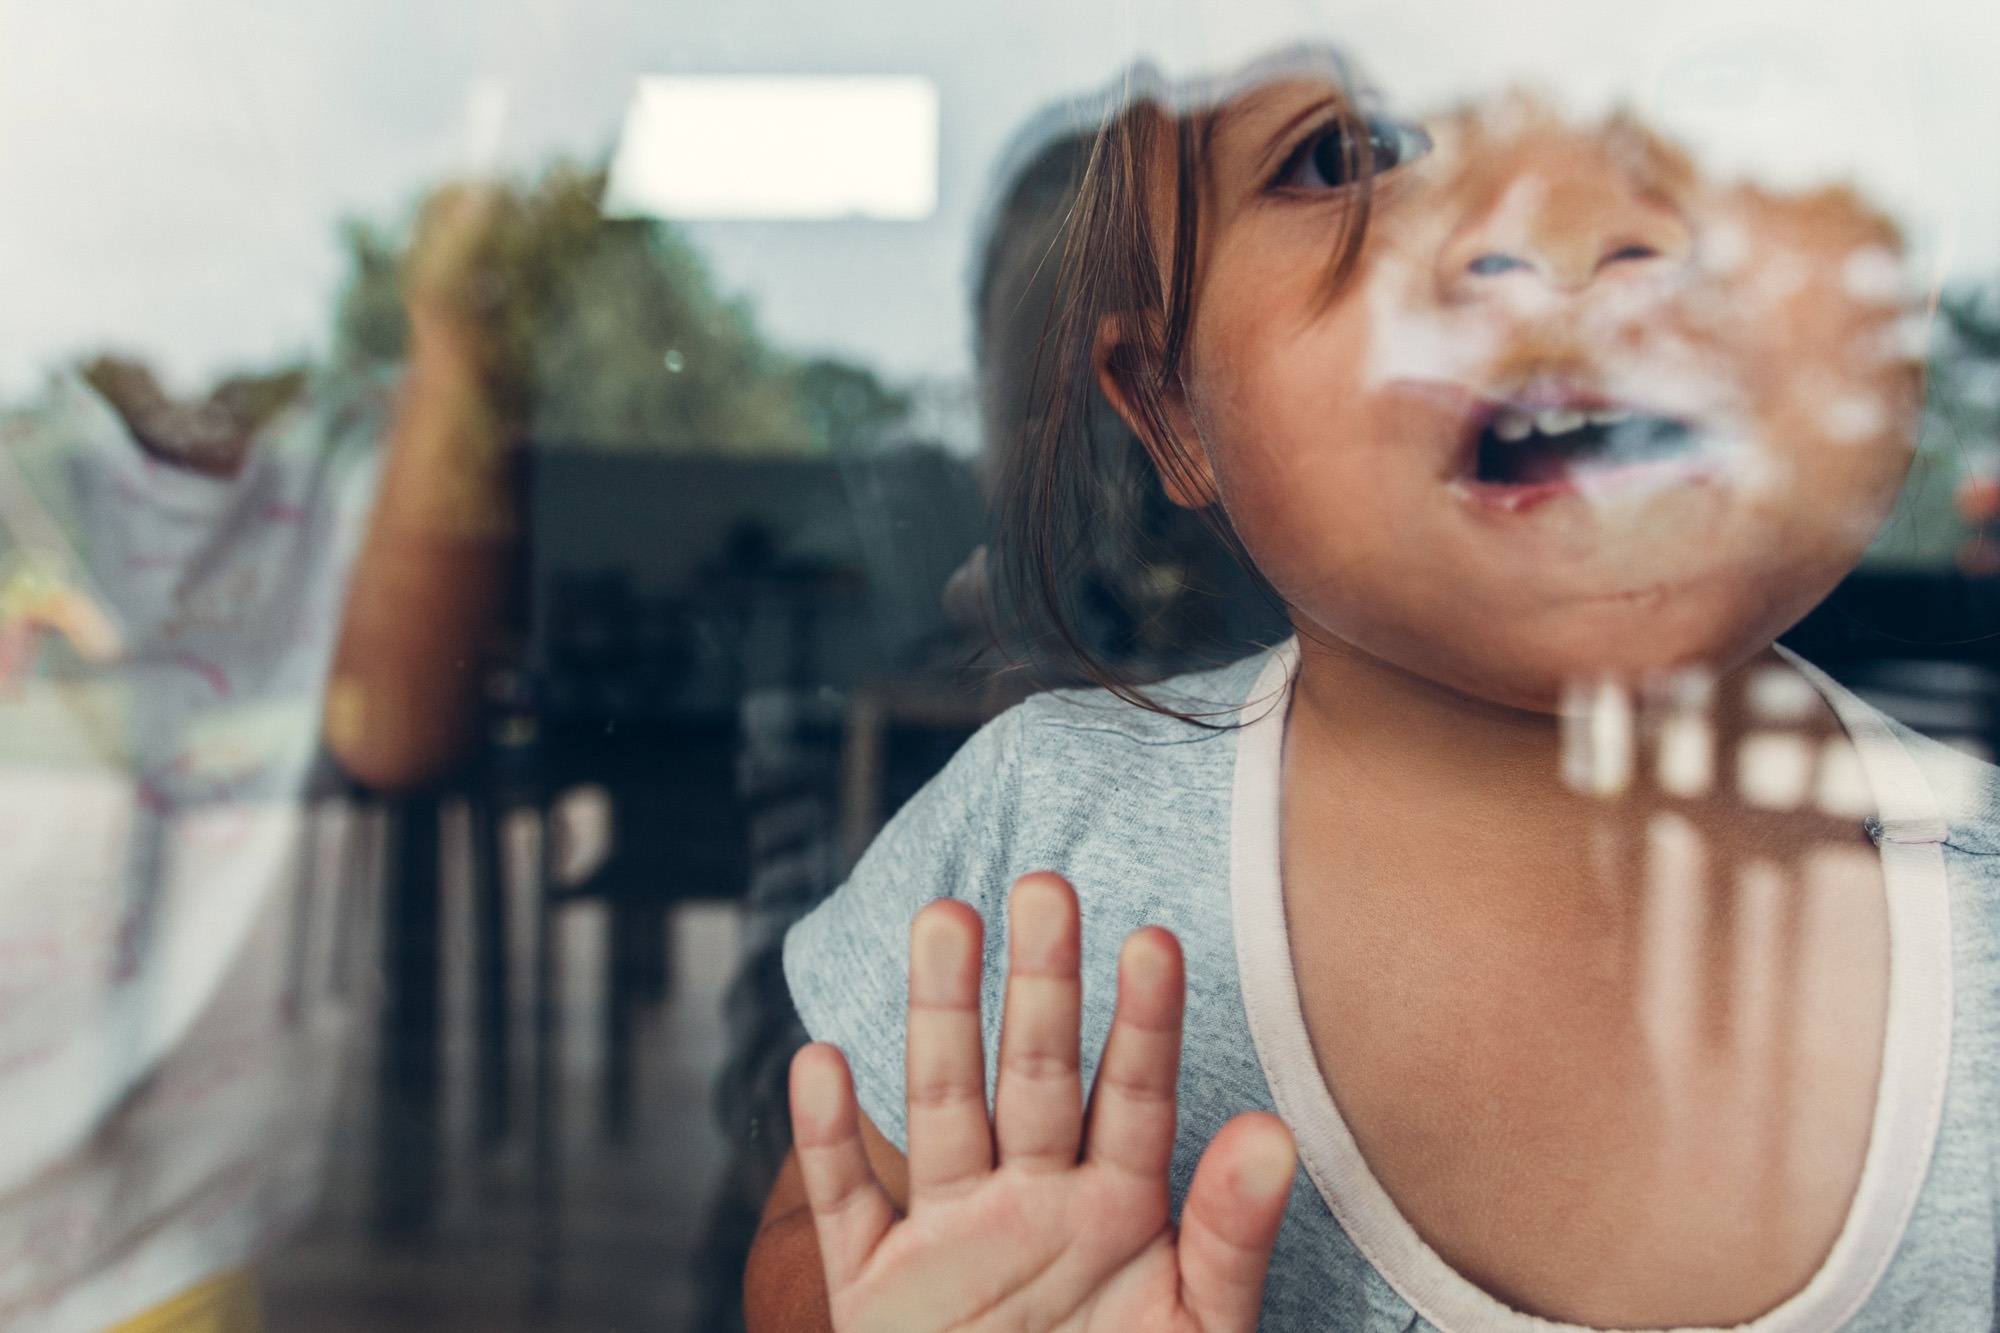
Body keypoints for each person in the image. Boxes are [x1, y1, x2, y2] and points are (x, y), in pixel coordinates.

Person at [743, 48, 2000, 1332]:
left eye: (1722, 102)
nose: (1565, 230)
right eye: (1349, 156)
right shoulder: (1047, 839)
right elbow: (823, 1234)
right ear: (1170, 405)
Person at [0, 185, 513, 1333]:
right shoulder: (34, 443)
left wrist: (457, 327)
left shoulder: (344, 448)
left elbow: (400, 724)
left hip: (144, 1251)